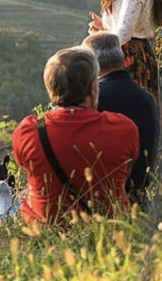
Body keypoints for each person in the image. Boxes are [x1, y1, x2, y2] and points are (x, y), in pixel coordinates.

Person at [12, 47, 137, 225]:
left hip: (45, 231)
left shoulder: (27, 132)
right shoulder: (123, 128)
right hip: (110, 229)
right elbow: (127, 172)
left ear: (50, 88)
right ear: (93, 88)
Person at [83, 32, 159, 204]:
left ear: (92, 63)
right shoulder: (148, 99)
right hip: (140, 201)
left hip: (102, 203)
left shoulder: (93, 99)